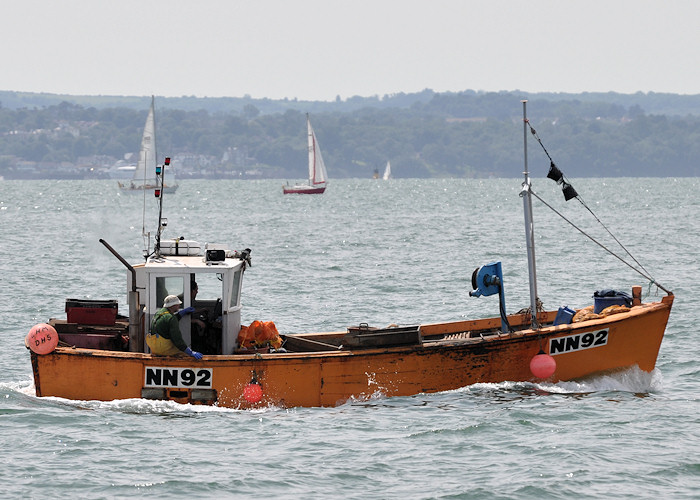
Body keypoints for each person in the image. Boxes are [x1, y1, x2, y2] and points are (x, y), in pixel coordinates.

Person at [147, 295, 203, 359]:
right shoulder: (171, 318)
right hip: (163, 349)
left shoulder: (158, 314)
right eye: (178, 304)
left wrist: (181, 313)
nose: (179, 306)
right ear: (173, 305)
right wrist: (190, 352)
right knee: (185, 355)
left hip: (154, 348)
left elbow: (167, 321)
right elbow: (177, 340)